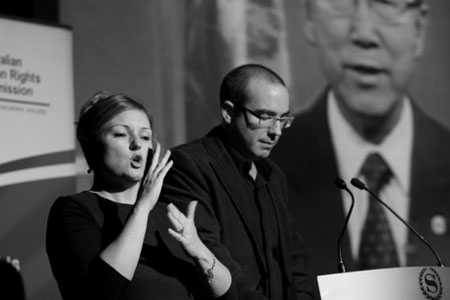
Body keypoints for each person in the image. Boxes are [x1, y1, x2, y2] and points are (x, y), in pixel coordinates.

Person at [271, 0, 450, 298]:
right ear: (310, 18)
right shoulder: (264, 174)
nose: (364, 33)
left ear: (419, 28)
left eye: (388, 3)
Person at [46, 91, 236, 300]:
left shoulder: (168, 212)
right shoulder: (74, 209)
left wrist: (200, 251)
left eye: (145, 136)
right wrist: (142, 207)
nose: (137, 144)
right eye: (121, 134)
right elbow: (99, 293)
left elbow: (229, 295)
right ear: (91, 146)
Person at [161, 64, 314, 300]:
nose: (277, 132)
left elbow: (293, 258)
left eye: (283, 119)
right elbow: (207, 251)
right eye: (265, 117)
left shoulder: (273, 175)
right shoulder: (189, 164)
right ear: (228, 112)